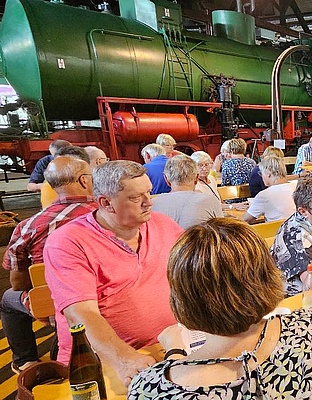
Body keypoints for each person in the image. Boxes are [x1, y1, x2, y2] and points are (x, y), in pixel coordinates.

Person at [128, 218, 312, 399]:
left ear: (183, 296)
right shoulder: (308, 326)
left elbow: (175, 382)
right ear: (269, 277)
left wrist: (174, 352)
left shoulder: (149, 389)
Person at [44, 160, 183, 385]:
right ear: (106, 203)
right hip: (103, 362)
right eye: (136, 197)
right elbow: (81, 314)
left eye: (149, 192)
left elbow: (197, 270)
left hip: (167, 347)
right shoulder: (68, 242)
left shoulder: (163, 225)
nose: (149, 203)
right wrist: (124, 358)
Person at [1, 156, 97, 373]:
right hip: (107, 295)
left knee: (8, 299)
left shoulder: (29, 226)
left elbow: (18, 283)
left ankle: (25, 361)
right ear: (84, 181)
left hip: (54, 304)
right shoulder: (108, 215)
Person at [151, 155, 224, 229]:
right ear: (196, 178)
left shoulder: (153, 204)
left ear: (166, 179)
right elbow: (221, 233)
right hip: (196, 240)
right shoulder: (210, 201)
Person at [242, 156, 296, 223]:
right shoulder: (296, 187)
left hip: (276, 232)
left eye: (261, 173)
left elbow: (245, 220)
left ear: (268, 174)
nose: (261, 176)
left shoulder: (264, 195)